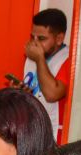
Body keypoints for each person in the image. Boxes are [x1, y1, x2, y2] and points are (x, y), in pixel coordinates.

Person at [14, 8, 70, 143]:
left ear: (59, 38)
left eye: (41, 38)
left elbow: (52, 94)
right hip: (33, 129)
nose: (35, 43)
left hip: (55, 133)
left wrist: (39, 59)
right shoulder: (32, 57)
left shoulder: (67, 59)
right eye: (32, 37)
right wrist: (22, 91)